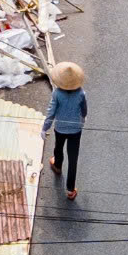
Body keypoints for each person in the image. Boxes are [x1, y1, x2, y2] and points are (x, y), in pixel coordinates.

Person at [47, 60, 88, 199]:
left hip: (60, 128)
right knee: (73, 158)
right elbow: (84, 110)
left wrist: (45, 127)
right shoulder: (81, 93)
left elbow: (51, 112)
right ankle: (70, 190)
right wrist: (82, 119)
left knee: (58, 147)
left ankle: (57, 166)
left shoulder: (57, 94)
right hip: (75, 130)